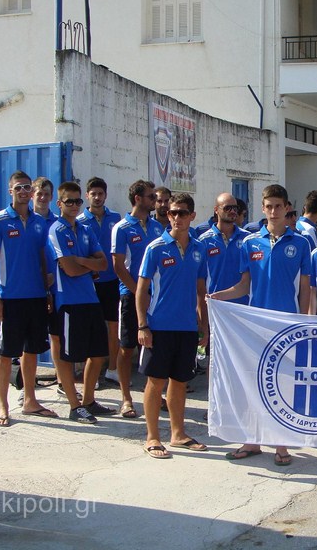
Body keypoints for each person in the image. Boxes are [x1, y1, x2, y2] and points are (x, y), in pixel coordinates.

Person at [210, 184, 311, 467]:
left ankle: (281, 444)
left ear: (287, 207)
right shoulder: (250, 243)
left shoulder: (301, 243)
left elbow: (305, 288)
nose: (274, 211)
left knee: (282, 385)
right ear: (262, 208)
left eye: (279, 206)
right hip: (255, 326)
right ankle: (252, 441)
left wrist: (302, 321)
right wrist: (219, 296)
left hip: (287, 325)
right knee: (254, 383)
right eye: (269, 206)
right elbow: (244, 285)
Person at [136, 193, 210, 459]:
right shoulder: (155, 247)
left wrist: (204, 325)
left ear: (192, 216)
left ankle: (178, 434)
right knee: (155, 381)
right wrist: (143, 325)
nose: (177, 217)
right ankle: (152, 437)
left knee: (180, 381)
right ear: (168, 215)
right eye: (172, 212)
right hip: (159, 327)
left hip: (187, 327)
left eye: (182, 212)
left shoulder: (199, 249)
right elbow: (141, 290)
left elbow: (201, 290)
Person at [0, 171, 56, 426]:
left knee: (32, 350)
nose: (24, 191)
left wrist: (47, 291)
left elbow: (41, 255)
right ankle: (3, 406)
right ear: (10, 191)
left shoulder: (38, 222)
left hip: (36, 296)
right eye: (19, 188)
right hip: (10, 298)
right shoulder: (0, 221)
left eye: (27, 187)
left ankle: (30, 400)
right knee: (5, 353)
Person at [46, 181, 114, 423]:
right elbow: (69, 270)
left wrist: (81, 260)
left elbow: (104, 264)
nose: (74, 206)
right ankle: (75, 407)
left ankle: (88, 401)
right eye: (69, 201)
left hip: (90, 298)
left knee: (97, 355)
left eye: (77, 201)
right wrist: (87, 263)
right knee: (68, 356)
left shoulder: (85, 230)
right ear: (60, 203)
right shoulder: (57, 230)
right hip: (69, 302)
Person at [112, 180, 166, 419]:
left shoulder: (156, 227)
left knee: (156, 346)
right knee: (127, 348)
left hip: (155, 299)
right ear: (137, 199)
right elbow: (118, 266)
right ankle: (125, 398)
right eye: (151, 197)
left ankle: (154, 393)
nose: (155, 201)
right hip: (130, 296)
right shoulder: (122, 227)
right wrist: (138, 293)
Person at [77, 177, 123, 387]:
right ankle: (91, 375)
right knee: (90, 329)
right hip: (89, 283)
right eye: (93, 194)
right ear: (87, 196)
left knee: (113, 327)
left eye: (100, 194)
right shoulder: (79, 222)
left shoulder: (115, 218)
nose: (97, 197)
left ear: (105, 195)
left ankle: (113, 369)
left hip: (112, 281)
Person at [199, 192, 251, 378]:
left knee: (243, 363)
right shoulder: (203, 241)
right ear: (216, 210)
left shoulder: (248, 240)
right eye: (227, 208)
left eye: (235, 208)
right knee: (215, 364)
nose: (232, 212)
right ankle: (214, 405)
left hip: (242, 310)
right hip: (215, 310)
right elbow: (199, 282)